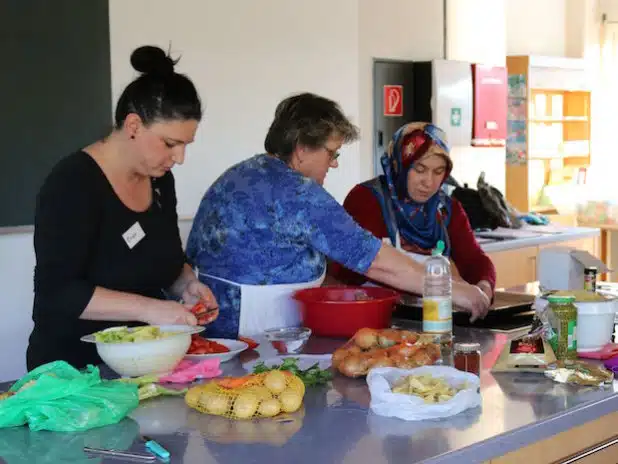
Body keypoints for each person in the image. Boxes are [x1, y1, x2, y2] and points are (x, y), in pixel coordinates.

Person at [186, 93, 489, 339]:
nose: (333, 164)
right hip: (253, 331)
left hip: (217, 326)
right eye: (331, 153)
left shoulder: (244, 173)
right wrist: (453, 290)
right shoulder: (298, 194)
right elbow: (375, 260)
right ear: (302, 149)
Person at [27, 45, 218, 370]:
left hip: (145, 364)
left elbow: (169, 261)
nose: (180, 158)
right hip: (73, 372)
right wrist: (149, 309)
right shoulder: (72, 183)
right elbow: (58, 292)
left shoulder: (160, 181)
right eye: (171, 144)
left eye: (186, 145)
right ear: (133, 126)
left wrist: (188, 285)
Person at [329, 122, 496, 308]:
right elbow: (355, 266)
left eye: (438, 172)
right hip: (374, 314)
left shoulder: (448, 210)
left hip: (435, 318)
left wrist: (484, 286)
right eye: (419, 169)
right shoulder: (368, 199)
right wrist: (447, 285)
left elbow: (475, 260)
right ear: (400, 165)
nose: (429, 182)